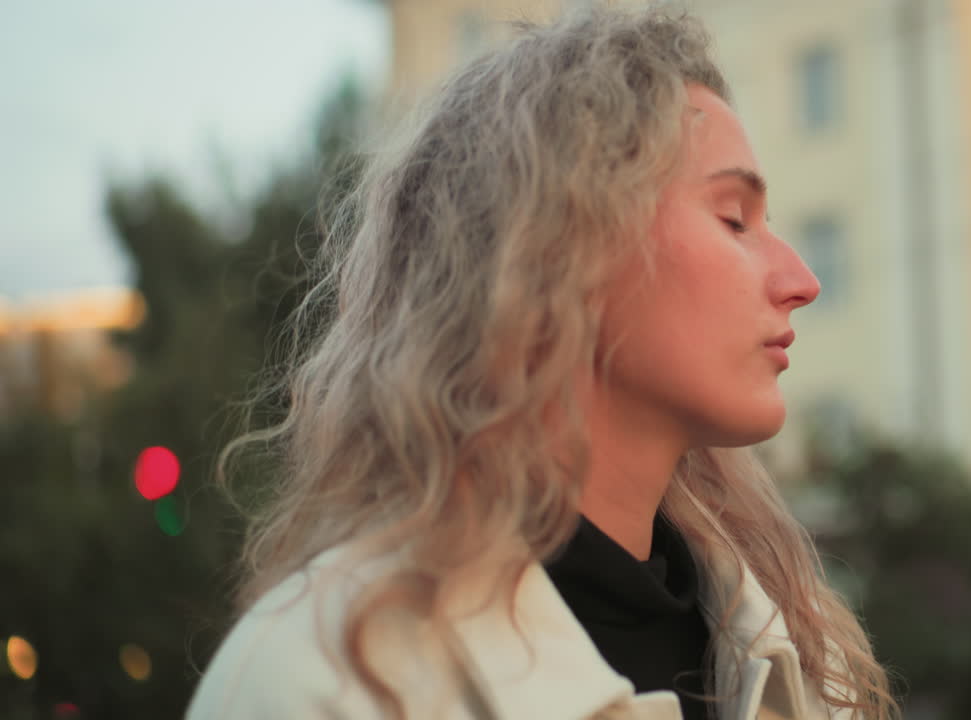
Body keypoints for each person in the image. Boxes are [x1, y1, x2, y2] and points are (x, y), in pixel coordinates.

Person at [187, 5, 897, 719]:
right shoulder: (330, 680)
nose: (802, 280)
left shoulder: (793, 671)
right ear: (559, 246)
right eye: (733, 219)